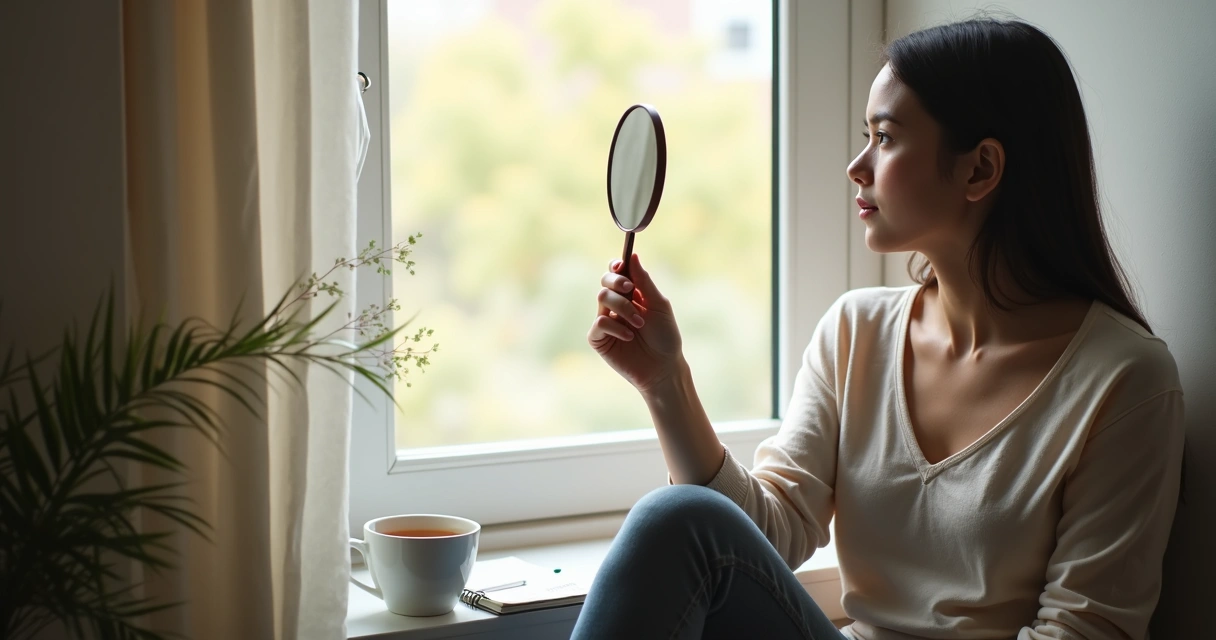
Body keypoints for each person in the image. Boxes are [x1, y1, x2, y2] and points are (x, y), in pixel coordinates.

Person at [572, 17, 1185, 640]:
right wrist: (665, 381)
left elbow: (1082, 630)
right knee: (675, 519)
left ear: (980, 170)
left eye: (885, 138)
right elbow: (771, 531)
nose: (856, 167)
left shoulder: (1124, 381)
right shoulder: (856, 331)